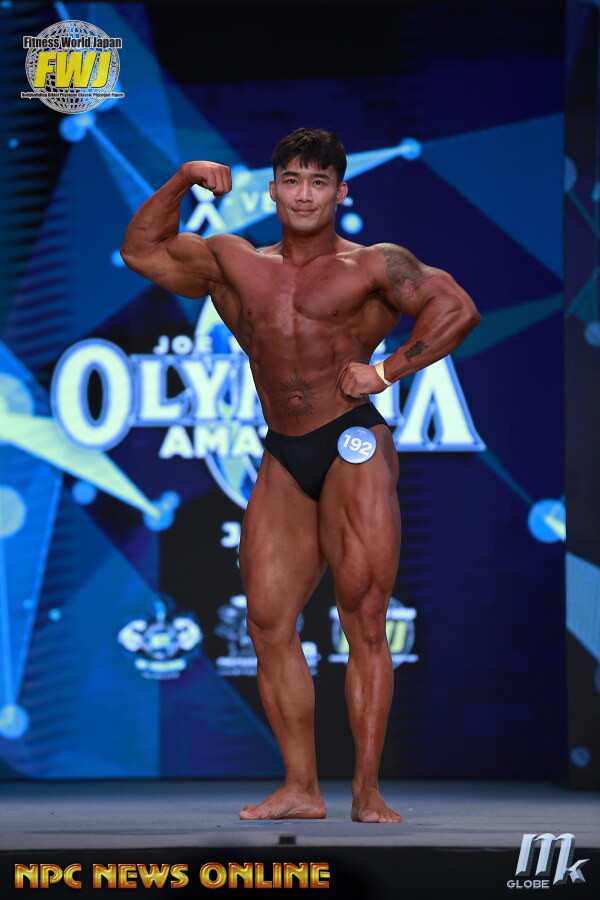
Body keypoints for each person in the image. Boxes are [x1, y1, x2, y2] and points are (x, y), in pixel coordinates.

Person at [121, 127, 481, 823]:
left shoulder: (373, 265)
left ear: (341, 192)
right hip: (284, 453)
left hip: (352, 441)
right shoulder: (233, 262)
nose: (305, 195)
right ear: (273, 190)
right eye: (293, 180)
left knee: (363, 618)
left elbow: (457, 309)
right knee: (267, 620)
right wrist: (183, 177)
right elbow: (141, 250)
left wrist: (385, 371)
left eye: (319, 182)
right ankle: (301, 788)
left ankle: (367, 792)